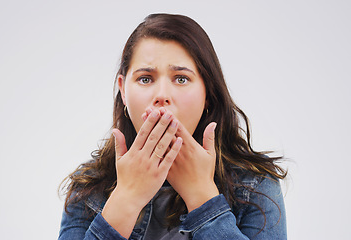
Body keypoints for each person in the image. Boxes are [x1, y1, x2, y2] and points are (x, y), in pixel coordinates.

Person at [58, 13, 287, 240]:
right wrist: (126, 198)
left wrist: (202, 196)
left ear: (207, 93)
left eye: (181, 79)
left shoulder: (257, 185)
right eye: (146, 79)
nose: (162, 96)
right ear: (123, 90)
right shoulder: (87, 187)